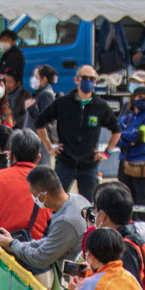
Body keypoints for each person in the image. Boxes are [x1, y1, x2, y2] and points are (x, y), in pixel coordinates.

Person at [0, 165, 85, 287]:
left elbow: (40, 257)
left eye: (34, 194)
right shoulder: (76, 200)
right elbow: (48, 241)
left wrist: (11, 244)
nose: (33, 199)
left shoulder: (66, 221)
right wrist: (11, 241)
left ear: (43, 195)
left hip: (76, 281)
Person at [34, 65, 120, 200]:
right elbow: (39, 123)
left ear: (96, 82)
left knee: (89, 205)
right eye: (84, 78)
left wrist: (106, 152)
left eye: (92, 79)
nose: (88, 81)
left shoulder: (101, 106)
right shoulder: (62, 103)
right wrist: (49, 147)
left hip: (89, 165)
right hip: (65, 162)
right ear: (76, 80)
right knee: (55, 202)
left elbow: (117, 130)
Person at [117, 84, 145, 231]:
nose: (142, 100)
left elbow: (142, 136)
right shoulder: (126, 118)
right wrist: (130, 137)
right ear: (133, 99)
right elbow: (117, 138)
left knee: (144, 202)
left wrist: (127, 136)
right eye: (139, 97)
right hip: (124, 163)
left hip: (142, 165)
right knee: (126, 201)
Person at [24, 64, 57, 164]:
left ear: (44, 79)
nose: (33, 79)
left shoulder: (46, 95)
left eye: (36, 76)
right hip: (34, 143)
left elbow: (45, 120)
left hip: (40, 145)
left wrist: (31, 108)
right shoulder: (40, 94)